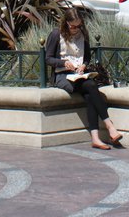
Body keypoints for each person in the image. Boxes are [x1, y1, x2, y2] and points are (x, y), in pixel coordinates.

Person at [45, 8, 123, 150]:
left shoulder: (83, 34)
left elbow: (87, 57)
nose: (75, 29)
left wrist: (84, 65)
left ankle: (95, 138)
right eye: (72, 26)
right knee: (91, 87)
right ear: (66, 23)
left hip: (79, 74)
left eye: (79, 26)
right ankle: (110, 126)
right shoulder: (56, 34)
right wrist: (63, 63)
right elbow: (48, 58)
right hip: (62, 75)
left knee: (89, 95)